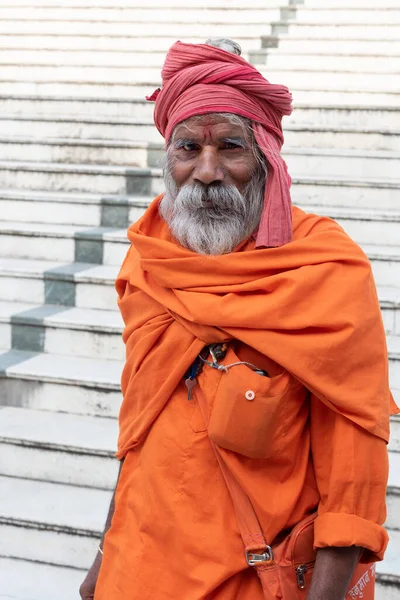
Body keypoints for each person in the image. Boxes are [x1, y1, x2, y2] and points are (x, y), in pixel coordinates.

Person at [80, 39, 398, 600]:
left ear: (267, 161)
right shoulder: (149, 257)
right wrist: (102, 557)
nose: (206, 172)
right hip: (134, 571)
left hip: (248, 581)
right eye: (188, 148)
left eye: (231, 147)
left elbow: (354, 472)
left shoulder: (324, 268)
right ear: (168, 160)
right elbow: (139, 424)